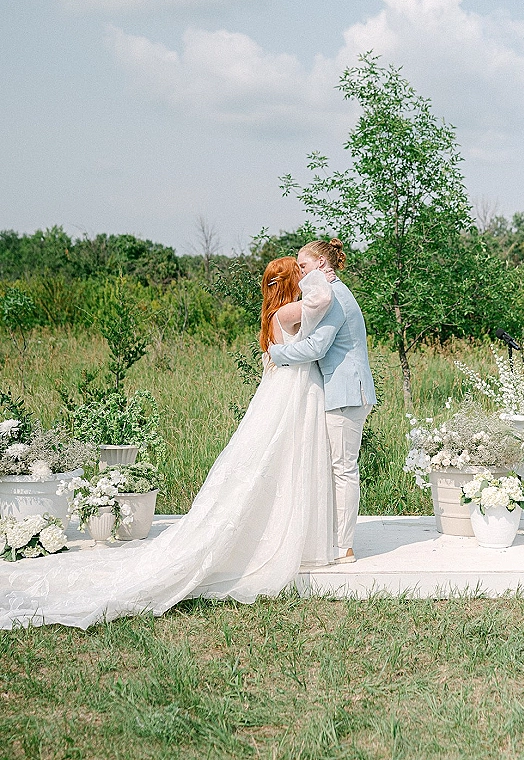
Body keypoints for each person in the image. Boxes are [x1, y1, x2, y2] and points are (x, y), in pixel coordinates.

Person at [0, 258, 334, 630]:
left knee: (282, 461)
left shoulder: (274, 312)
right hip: (290, 392)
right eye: (299, 275)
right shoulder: (288, 312)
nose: (306, 280)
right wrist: (325, 276)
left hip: (288, 390)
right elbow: (321, 302)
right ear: (291, 282)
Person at [269, 239, 376, 564]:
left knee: (343, 469)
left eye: (303, 266)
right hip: (346, 391)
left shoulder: (335, 298)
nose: (300, 274)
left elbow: (317, 347)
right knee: (338, 468)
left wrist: (276, 353)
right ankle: (336, 539)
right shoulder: (333, 293)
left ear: (320, 264)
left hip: (346, 392)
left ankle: (343, 546)